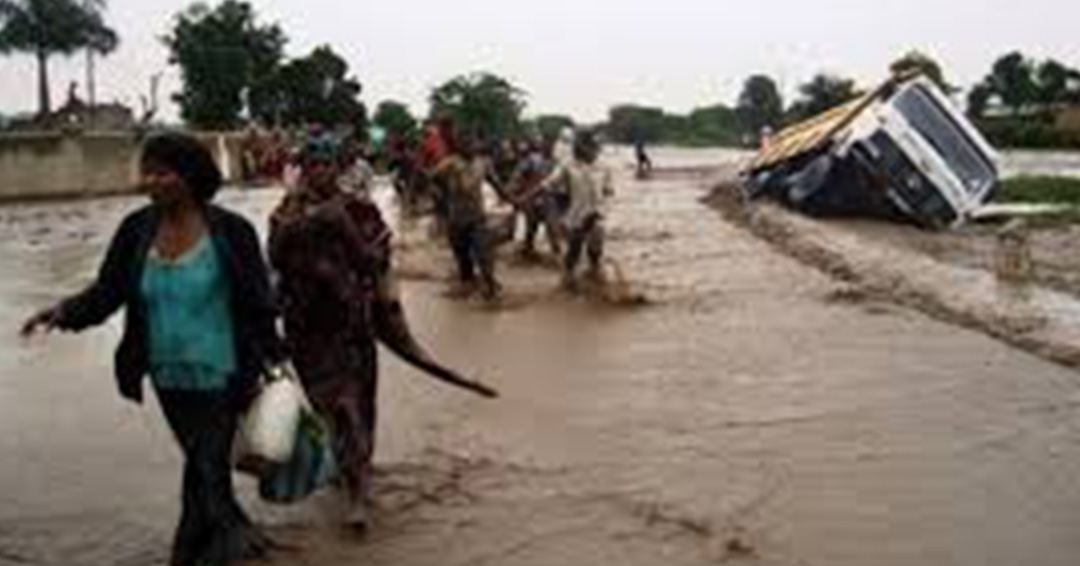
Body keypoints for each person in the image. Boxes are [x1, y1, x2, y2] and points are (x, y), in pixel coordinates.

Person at [20, 132, 286, 566]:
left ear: (192, 176)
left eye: (163, 172)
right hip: (166, 375)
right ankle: (234, 534)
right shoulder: (136, 231)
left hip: (226, 372)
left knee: (206, 466)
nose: (151, 181)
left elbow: (259, 303)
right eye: (147, 171)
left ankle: (190, 553)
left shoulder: (231, 231)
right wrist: (62, 312)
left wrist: (275, 357)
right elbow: (108, 293)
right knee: (204, 468)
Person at [268, 134, 490, 531]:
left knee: (354, 409)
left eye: (327, 164)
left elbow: (374, 263)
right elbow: (276, 257)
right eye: (312, 165)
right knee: (327, 410)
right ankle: (343, 470)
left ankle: (359, 495)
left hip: (351, 327)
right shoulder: (286, 212)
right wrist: (314, 223)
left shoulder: (360, 210)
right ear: (302, 170)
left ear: (338, 168)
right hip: (305, 332)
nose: (320, 171)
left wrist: (344, 230)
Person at [536, 130, 614, 290]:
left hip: (597, 214)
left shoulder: (604, 167)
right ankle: (567, 278)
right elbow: (549, 183)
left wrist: (602, 210)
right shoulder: (568, 164)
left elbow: (609, 192)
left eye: (580, 146)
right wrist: (525, 198)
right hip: (576, 215)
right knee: (574, 251)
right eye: (575, 146)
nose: (576, 150)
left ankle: (594, 274)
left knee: (596, 247)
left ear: (592, 148)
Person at [433, 132, 503, 300]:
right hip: (456, 218)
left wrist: (512, 200)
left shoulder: (483, 163)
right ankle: (468, 286)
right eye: (466, 144)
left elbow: (496, 183)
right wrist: (443, 198)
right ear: (458, 147)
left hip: (477, 216)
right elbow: (434, 178)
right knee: (463, 260)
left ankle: (490, 287)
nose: (471, 147)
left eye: (472, 143)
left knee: (484, 254)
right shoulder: (449, 163)